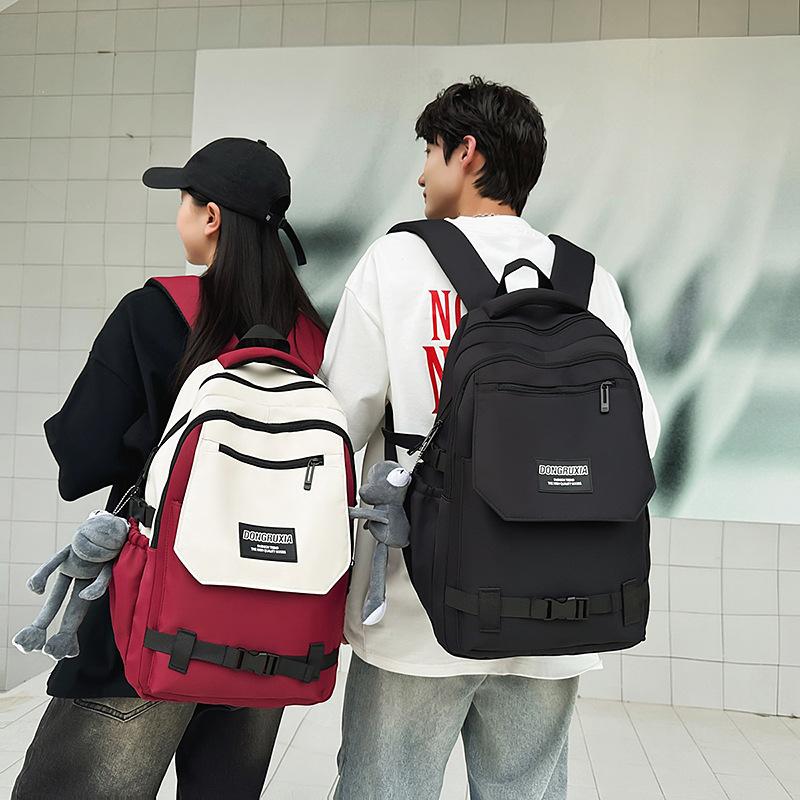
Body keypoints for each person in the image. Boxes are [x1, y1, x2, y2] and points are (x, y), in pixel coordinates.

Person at [319, 76, 662, 799]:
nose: (421, 174)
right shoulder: (588, 280)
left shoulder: (395, 263)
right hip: (561, 608)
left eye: (430, 152)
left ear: (467, 152)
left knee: (385, 788)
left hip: (417, 607)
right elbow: (643, 434)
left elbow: (337, 425)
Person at [13, 138, 327, 799]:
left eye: (183, 201)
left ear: (210, 216)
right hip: (272, 619)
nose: (179, 214)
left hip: (154, 607)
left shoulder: (154, 311)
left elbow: (82, 456)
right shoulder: (311, 336)